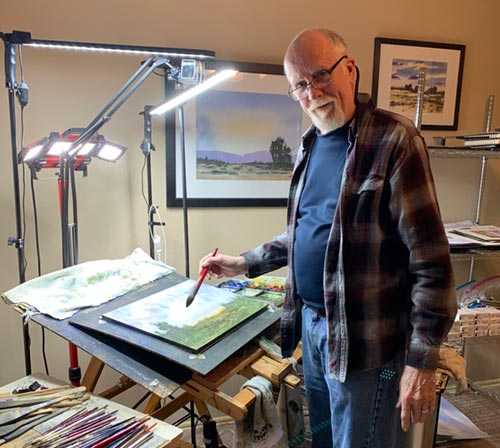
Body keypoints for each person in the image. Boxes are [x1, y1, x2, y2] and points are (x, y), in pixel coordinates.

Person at [199, 28, 457, 448]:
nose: (312, 91)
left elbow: (432, 264)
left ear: (349, 69)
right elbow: (304, 235)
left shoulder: (395, 140)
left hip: (371, 349)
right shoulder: (309, 146)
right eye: (300, 85)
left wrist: (421, 364)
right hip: (316, 332)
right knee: (322, 439)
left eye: (320, 75)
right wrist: (243, 263)